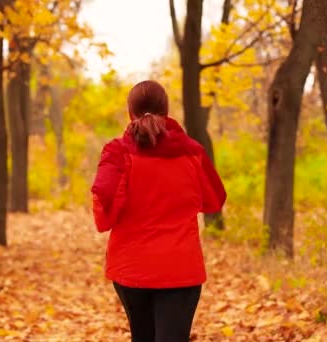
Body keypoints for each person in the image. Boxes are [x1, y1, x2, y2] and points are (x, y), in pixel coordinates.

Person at [90, 80, 227, 342]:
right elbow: (214, 200)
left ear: (130, 112)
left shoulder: (117, 152)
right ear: (167, 109)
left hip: (131, 270)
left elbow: (103, 200)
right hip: (180, 270)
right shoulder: (191, 151)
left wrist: (108, 215)